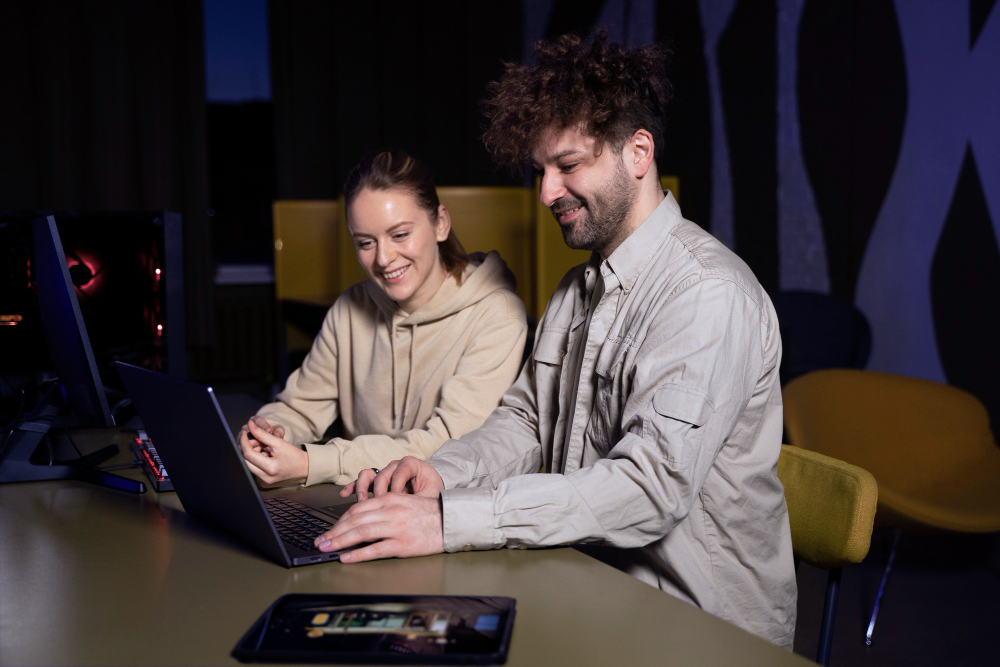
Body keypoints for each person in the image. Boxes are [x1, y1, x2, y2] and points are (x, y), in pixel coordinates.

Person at [313, 34, 797, 648]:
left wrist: (450, 520)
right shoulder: (576, 290)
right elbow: (524, 422)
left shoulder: (706, 294)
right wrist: (439, 475)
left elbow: (649, 489)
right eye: (540, 170)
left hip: (700, 630)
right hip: (588, 582)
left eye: (568, 166)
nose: (546, 193)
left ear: (638, 153)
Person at [239, 149, 528, 487]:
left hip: (447, 512)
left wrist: (310, 463)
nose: (384, 258)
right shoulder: (350, 308)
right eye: (365, 242)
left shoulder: (497, 315)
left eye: (400, 235)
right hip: (357, 498)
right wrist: (269, 433)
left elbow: (449, 446)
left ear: (440, 224)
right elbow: (300, 407)